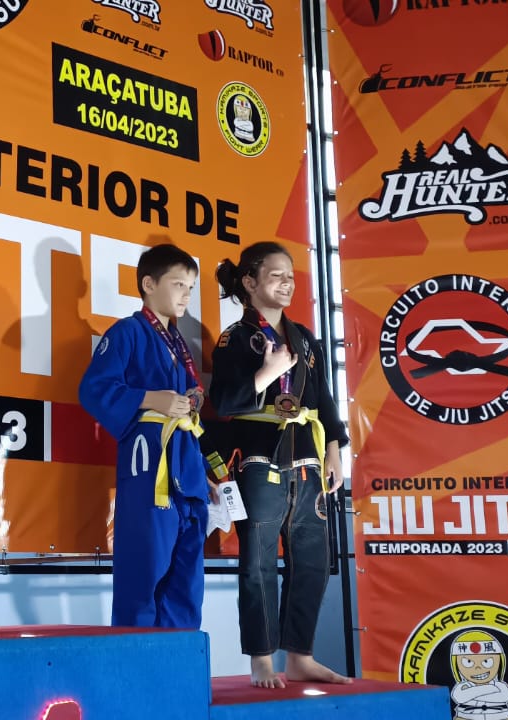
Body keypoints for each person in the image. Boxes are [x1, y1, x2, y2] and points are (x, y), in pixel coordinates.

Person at [207, 241, 351, 688]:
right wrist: (267, 373)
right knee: (258, 562)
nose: (287, 283)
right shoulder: (235, 337)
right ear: (250, 282)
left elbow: (322, 399)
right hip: (258, 458)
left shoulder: (304, 338)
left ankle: (301, 656)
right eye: (276, 276)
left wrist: (334, 449)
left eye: (290, 276)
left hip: (308, 459)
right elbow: (223, 402)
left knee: (313, 559)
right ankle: (262, 659)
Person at [78, 243, 210, 629]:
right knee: (144, 569)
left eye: (191, 287)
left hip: (186, 468)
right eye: (178, 284)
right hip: (148, 468)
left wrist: (203, 472)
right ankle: (136, 659)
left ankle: (179, 660)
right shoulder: (127, 332)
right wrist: (151, 398)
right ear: (149, 284)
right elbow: (94, 389)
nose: (186, 294)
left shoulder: (179, 345)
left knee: (186, 579)